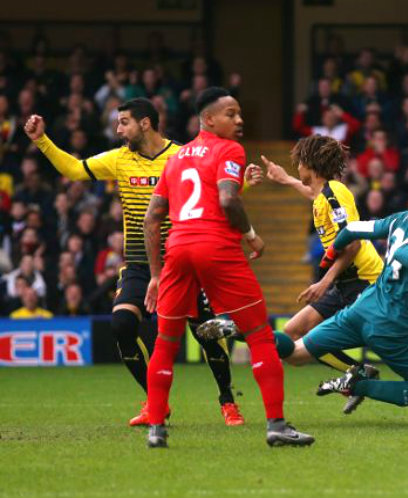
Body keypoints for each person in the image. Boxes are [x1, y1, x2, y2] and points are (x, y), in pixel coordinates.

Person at [24, 98, 247, 427]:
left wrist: (248, 185)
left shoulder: (182, 156)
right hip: (140, 264)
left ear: (145, 123)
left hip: (182, 261)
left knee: (205, 333)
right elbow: (73, 169)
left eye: (124, 121)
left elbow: (218, 189)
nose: (117, 129)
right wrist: (41, 140)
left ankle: (228, 402)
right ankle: (156, 403)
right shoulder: (119, 159)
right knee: (121, 326)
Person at [142, 87, 312, 448]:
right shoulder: (228, 150)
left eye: (239, 114)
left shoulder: (175, 159)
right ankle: (277, 425)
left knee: (166, 340)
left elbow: (152, 219)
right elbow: (227, 198)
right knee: (260, 336)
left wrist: (156, 274)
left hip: (178, 248)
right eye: (231, 114)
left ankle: (156, 428)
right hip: (215, 245)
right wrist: (251, 235)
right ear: (208, 119)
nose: (240, 120)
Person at [198, 135, 384, 415]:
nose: (296, 167)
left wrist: (324, 281)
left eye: (298, 163)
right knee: (292, 333)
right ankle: (358, 371)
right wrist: (284, 179)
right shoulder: (324, 194)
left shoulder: (334, 193)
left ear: (310, 164)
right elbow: (313, 193)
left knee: (385, 340)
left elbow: (354, 243)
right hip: (345, 280)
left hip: (364, 280)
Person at [281, 169, 408, 427]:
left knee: (293, 354)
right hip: (392, 326)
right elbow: (406, 251)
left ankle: (238, 328)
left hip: (360, 309)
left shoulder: (404, 216)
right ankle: (359, 385)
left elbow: (352, 230)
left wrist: (331, 253)